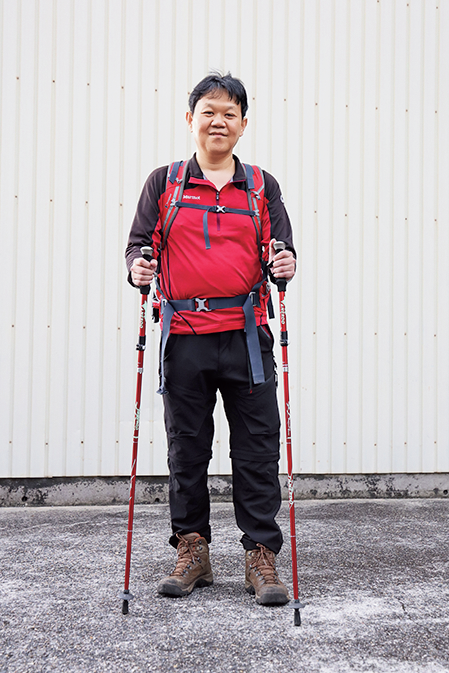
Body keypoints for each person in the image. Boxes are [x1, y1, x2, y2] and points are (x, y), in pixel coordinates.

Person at [125, 72, 296, 606]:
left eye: (229, 114)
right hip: (185, 337)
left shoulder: (263, 187)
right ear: (190, 120)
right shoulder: (165, 182)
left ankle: (260, 556)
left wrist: (285, 263)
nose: (218, 122)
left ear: (244, 125)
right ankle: (193, 550)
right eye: (208, 112)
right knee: (187, 449)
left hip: (246, 339)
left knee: (257, 448)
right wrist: (138, 268)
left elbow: (282, 253)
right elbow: (137, 246)